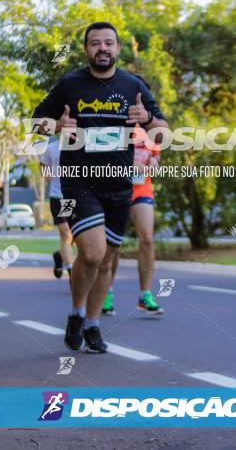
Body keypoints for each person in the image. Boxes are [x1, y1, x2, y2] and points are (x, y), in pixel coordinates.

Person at [32, 21, 168, 353]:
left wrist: (147, 119)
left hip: (120, 184)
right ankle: (76, 312)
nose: (102, 48)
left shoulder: (133, 85)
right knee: (91, 253)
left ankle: (91, 323)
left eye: (108, 42)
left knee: (106, 260)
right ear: (86, 49)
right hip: (79, 181)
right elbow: (36, 121)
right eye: (95, 43)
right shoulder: (70, 84)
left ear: (118, 49)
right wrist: (57, 124)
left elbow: (163, 130)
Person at [103, 106, 164, 315]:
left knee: (147, 238)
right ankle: (106, 291)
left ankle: (145, 294)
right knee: (113, 243)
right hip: (114, 188)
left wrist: (154, 162)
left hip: (141, 189)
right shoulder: (115, 124)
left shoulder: (151, 129)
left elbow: (154, 155)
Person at [40, 136, 74, 280]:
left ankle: (60, 256)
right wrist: (48, 174)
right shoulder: (51, 148)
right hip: (60, 196)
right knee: (66, 233)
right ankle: (72, 273)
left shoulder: (82, 145)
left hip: (79, 196)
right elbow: (44, 167)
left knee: (75, 235)